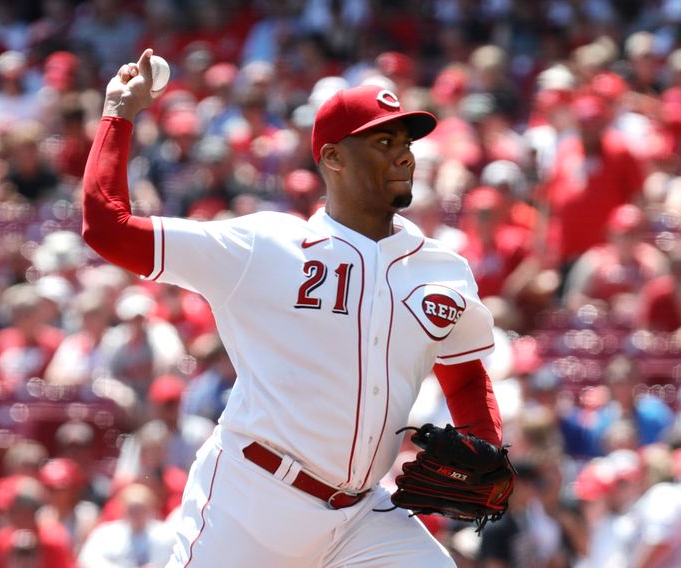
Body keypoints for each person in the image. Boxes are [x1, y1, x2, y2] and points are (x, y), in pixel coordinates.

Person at [82, 49, 504, 567]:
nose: (405, 155)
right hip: (252, 502)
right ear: (332, 158)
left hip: (362, 517)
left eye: (406, 142)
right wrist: (119, 114)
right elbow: (107, 227)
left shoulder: (442, 269)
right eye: (383, 140)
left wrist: (485, 449)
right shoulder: (263, 246)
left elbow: (462, 375)